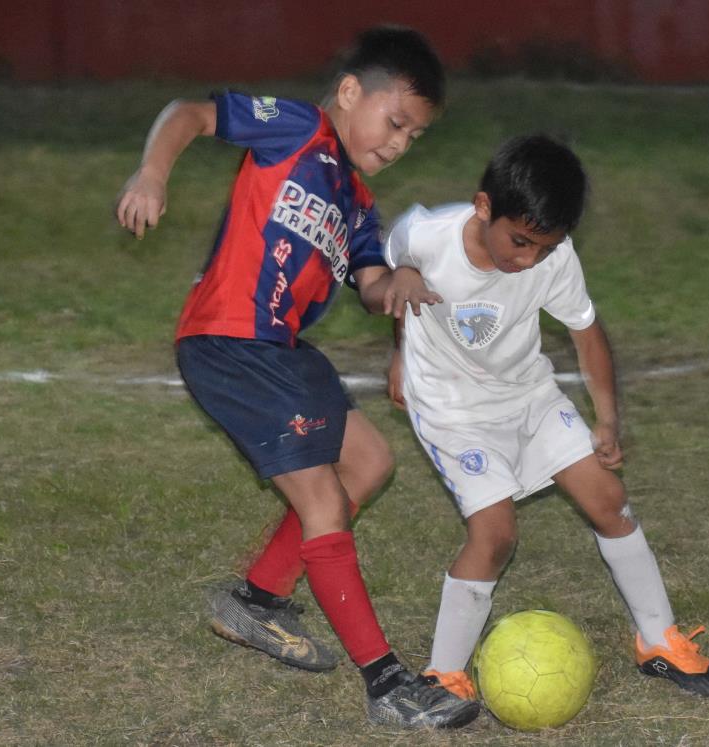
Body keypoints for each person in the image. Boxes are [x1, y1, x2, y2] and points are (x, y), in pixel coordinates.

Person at [114, 26, 478, 729]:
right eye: (395, 121)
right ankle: (386, 682)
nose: (401, 141)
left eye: (415, 136)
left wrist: (399, 286)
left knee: (368, 462)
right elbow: (188, 113)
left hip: (279, 351)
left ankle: (255, 601)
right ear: (349, 93)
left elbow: (372, 285)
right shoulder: (298, 129)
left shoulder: (358, 203)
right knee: (323, 502)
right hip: (229, 342)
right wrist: (153, 173)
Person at [384, 134, 709, 701]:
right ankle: (443, 674)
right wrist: (400, 347)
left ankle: (659, 641)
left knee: (608, 500)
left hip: (529, 396)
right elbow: (392, 267)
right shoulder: (426, 233)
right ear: (482, 206)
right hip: (452, 410)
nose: (528, 261)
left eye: (543, 249)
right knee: (494, 537)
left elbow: (586, 333)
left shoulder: (553, 258)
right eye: (519, 242)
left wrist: (608, 419)